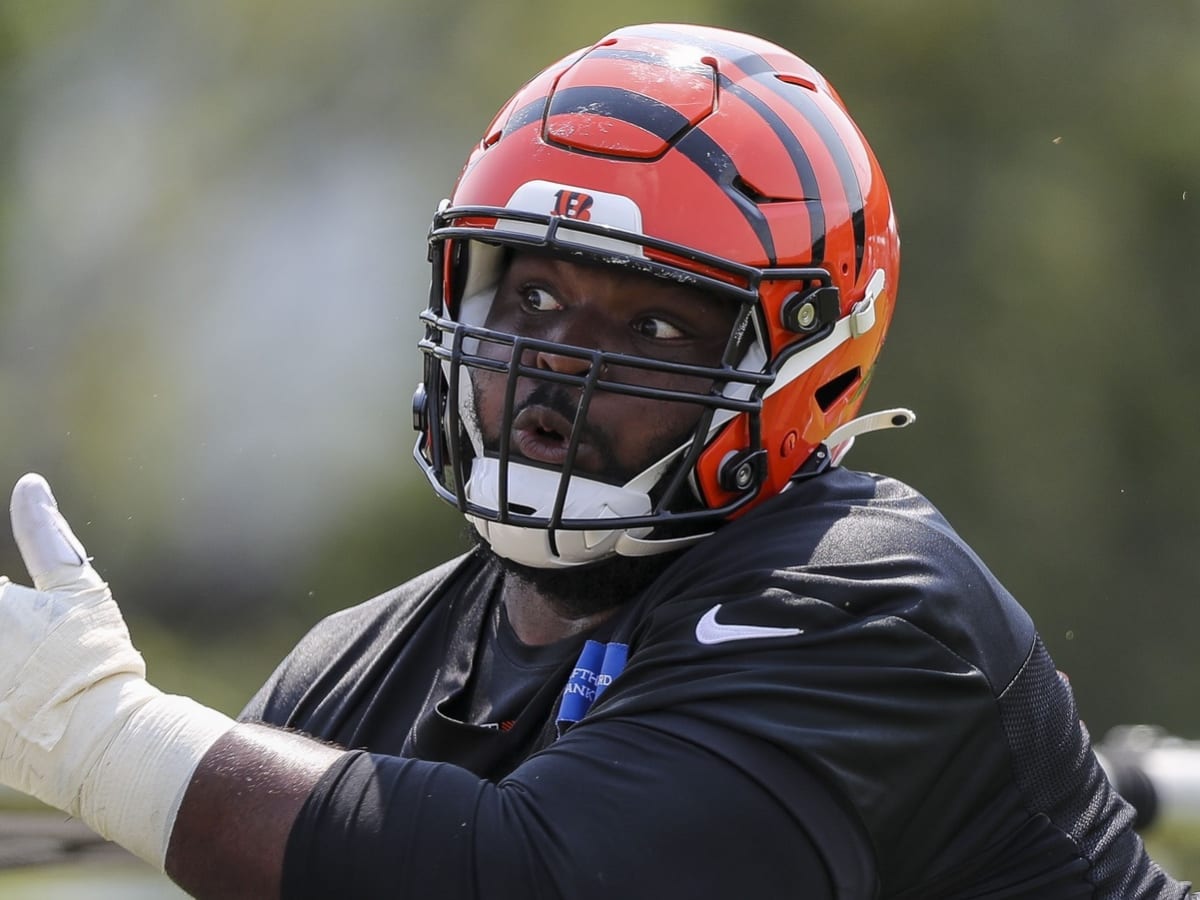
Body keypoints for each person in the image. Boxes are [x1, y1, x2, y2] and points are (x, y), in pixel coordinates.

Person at [0, 22, 1191, 900]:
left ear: (806, 361)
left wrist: (104, 738)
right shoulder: (355, 674)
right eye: (530, 296)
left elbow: (538, 883)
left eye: (652, 325)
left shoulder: (866, 597)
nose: (551, 371)